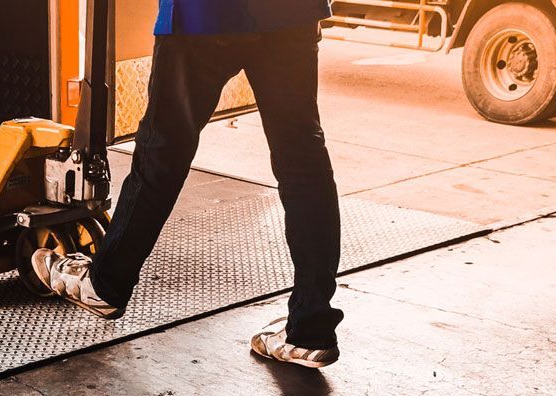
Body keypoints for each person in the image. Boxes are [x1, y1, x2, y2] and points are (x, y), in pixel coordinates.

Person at [32, 0, 342, 368]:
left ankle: (106, 284)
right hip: (290, 13)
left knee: (162, 152)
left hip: (203, 14)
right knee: (303, 162)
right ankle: (310, 331)